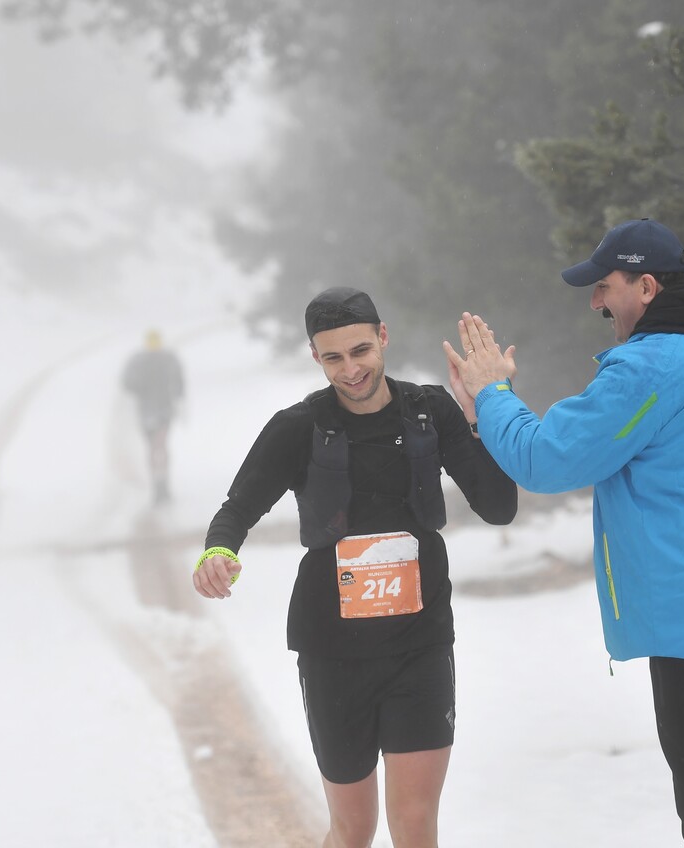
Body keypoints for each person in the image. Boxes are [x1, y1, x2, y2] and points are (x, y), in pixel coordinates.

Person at [442, 219, 684, 848]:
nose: (596, 301)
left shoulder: (650, 367)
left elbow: (548, 460)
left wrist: (492, 394)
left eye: (605, 286)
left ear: (647, 286)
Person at [193, 287, 518, 848]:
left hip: (420, 641)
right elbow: (237, 510)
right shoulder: (297, 426)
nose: (351, 370)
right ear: (315, 357)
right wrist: (219, 551)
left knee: (414, 825)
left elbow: (499, 506)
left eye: (361, 351)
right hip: (333, 651)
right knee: (353, 828)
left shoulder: (429, 410)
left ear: (384, 337)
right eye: (333, 358)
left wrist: (479, 414)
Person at [121, 329, 185, 503]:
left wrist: (178, 395)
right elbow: (128, 384)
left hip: (161, 411)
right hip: (149, 411)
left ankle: (161, 483)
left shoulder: (166, 359)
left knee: (159, 445)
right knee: (155, 447)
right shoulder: (142, 362)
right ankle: (159, 483)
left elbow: (179, 382)